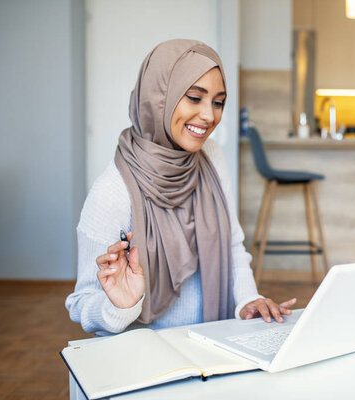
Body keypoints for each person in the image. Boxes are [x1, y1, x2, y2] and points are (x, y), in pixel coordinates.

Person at [66, 39, 295, 335]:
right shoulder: (112, 191)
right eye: (194, 98)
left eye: (218, 102)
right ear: (159, 97)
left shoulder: (211, 157)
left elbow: (232, 246)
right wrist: (120, 306)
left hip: (212, 345)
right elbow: (82, 304)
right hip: (145, 358)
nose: (209, 116)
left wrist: (248, 300)